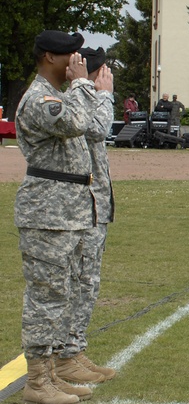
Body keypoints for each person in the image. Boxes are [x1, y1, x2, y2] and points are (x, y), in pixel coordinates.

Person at [15, 30, 105, 404]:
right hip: (47, 212)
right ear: (50, 57)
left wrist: (80, 87)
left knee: (61, 293)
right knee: (45, 297)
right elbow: (76, 123)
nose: (78, 61)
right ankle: (37, 380)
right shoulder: (39, 99)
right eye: (71, 55)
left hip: (65, 210)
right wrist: (85, 85)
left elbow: (83, 123)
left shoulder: (58, 97)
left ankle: (52, 372)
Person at [68, 47, 118, 382]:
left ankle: (75, 349)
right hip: (81, 206)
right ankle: (67, 353)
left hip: (96, 203)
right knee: (79, 281)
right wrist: (104, 95)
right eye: (102, 72)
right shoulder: (81, 99)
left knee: (88, 283)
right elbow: (97, 130)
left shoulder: (87, 98)